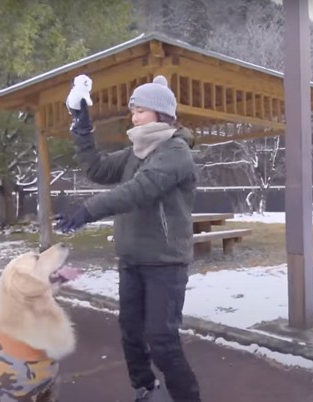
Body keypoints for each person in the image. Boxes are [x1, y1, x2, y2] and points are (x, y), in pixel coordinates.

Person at [55, 75, 201, 402]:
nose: (135, 116)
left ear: (162, 115)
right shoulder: (135, 151)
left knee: (161, 340)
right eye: (134, 110)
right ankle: (146, 390)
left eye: (143, 110)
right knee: (131, 336)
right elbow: (97, 169)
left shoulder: (175, 152)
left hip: (165, 263)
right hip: (131, 260)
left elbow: (139, 190)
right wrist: (81, 125)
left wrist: (88, 210)